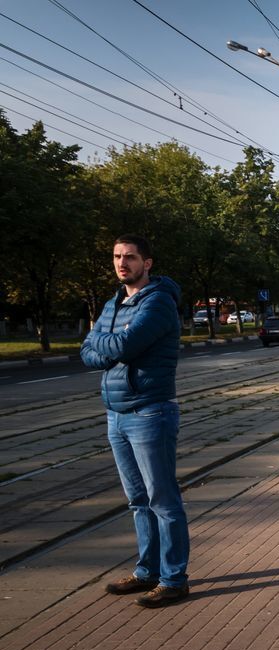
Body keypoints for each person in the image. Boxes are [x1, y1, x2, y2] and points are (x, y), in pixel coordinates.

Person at [81, 236, 190, 607]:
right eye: (116, 256)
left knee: (163, 500)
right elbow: (86, 350)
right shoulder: (114, 303)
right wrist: (110, 346)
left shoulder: (158, 302)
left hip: (150, 411)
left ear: (147, 262)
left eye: (130, 257)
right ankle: (148, 572)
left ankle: (174, 579)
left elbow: (123, 348)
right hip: (116, 413)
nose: (121, 263)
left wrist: (109, 345)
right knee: (138, 500)